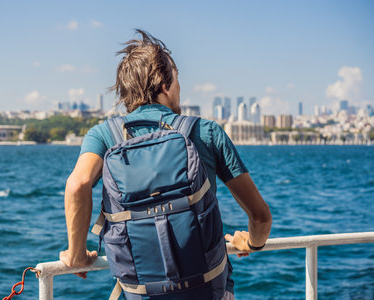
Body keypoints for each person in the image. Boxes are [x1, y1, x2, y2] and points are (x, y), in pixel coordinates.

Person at [59, 30, 272, 299]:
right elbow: (261, 216)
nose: (179, 88)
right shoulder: (206, 132)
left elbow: (77, 185)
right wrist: (252, 242)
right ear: (164, 85)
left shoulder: (104, 136)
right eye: (178, 79)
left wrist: (77, 253)